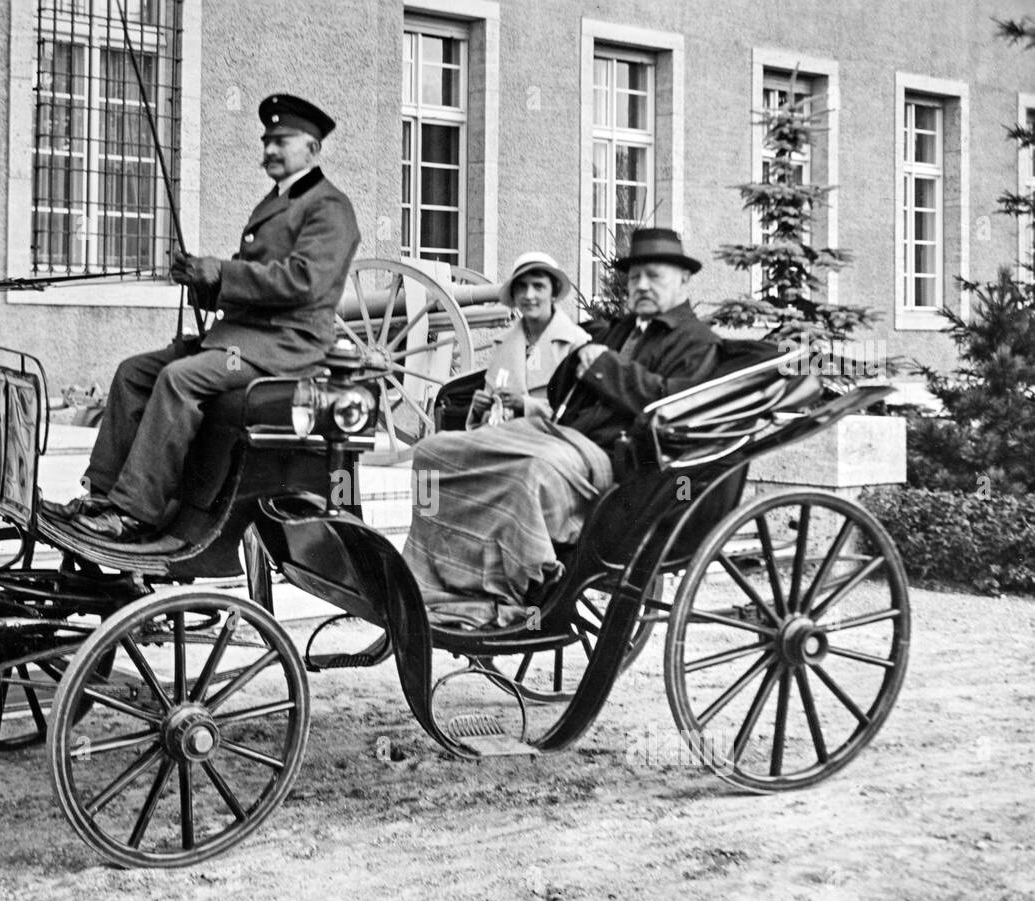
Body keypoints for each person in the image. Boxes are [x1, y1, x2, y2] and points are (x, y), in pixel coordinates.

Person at [43, 93, 361, 542]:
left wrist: (223, 272)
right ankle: (101, 495)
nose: (269, 149)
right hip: (240, 342)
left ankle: (133, 512)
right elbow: (249, 285)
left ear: (312, 148)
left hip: (283, 350)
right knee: (133, 373)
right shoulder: (276, 202)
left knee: (180, 379)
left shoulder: (330, 208)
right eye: (267, 140)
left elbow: (303, 282)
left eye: (282, 141)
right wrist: (203, 281)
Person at [403, 228, 721, 627]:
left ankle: (515, 586)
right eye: (635, 276)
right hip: (558, 433)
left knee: (526, 477)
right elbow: (563, 389)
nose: (640, 285)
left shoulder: (696, 342)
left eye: (653, 276)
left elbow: (675, 409)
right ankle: (428, 573)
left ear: (683, 281)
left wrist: (604, 368)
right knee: (435, 453)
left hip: (609, 458)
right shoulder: (621, 330)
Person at [468, 251, 589, 427]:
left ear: (553, 293)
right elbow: (491, 414)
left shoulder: (577, 342)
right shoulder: (503, 344)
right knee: (431, 448)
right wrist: (481, 409)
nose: (529, 295)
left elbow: (581, 412)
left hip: (553, 443)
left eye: (538, 286)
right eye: (521, 287)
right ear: (514, 295)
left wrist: (525, 405)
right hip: (504, 439)